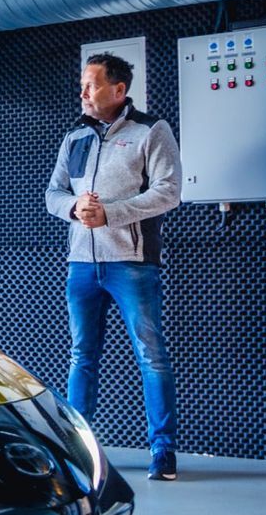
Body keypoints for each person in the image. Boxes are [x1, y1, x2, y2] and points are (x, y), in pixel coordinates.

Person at [45, 52, 182, 481]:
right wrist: (75, 207)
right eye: (83, 84)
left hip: (133, 264)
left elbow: (170, 191)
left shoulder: (151, 131)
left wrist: (113, 214)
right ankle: (77, 451)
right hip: (81, 265)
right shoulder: (75, 136)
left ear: (119, 90)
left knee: (151, 356)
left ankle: (163, 452)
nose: (83, 92)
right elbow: (53, 193)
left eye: (92, 84)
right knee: (81, 356)